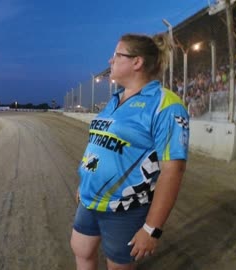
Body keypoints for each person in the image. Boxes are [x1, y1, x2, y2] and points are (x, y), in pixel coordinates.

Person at [71, 33, 190, 270]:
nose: (110, 60)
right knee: (80, 249)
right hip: (89, 200)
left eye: (117, 55)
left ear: (137, 62)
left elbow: (172, 171)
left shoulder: (165, 104)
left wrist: (151, 229)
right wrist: (85, 183)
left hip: (124, 208)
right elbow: (100, 145)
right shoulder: (114, 100)